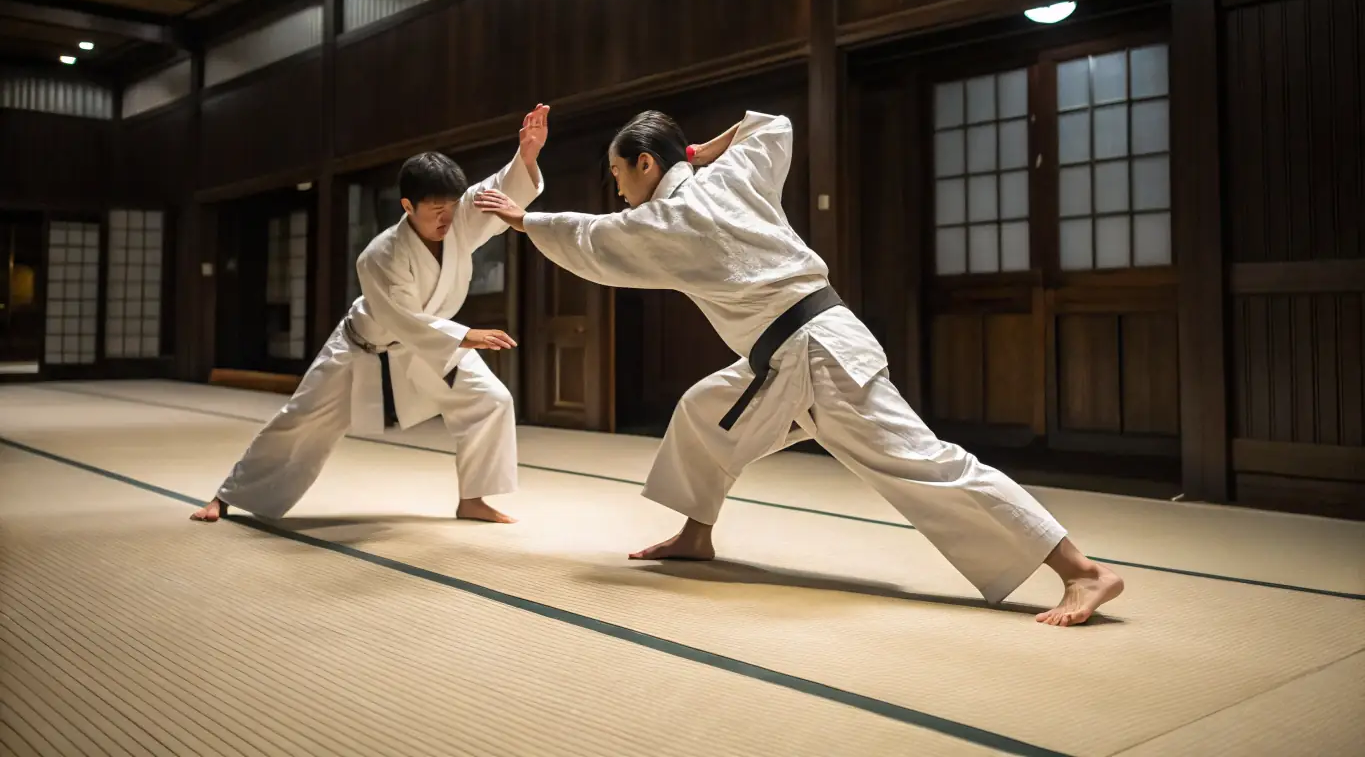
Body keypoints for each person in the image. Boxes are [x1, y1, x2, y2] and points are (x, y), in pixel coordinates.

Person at [474, 109, 1123, 626]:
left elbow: (592, 237)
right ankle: (696, 533)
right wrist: (697, 151)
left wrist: (524, 220)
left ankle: (1082, 570)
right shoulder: (730, 176)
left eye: (620, 173)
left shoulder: (666, 219)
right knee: (705, 410)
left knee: (924, 464)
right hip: (795, 353)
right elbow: (770, 125)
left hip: (818, 355)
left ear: (646, 163)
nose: (618, 189)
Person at [190, 104, 551, 526]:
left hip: (426, 348)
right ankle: (227, 496)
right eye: (435, 209)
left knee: (491, 400)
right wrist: (466, 335)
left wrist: (526, 156)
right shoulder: (380, 254)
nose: (447, 217)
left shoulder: (459, 216)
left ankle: (473, 499)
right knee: (301, 420)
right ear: (408, 205)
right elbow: (403, 319)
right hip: (361, 348)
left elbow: (497, 189)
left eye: (452, 206)